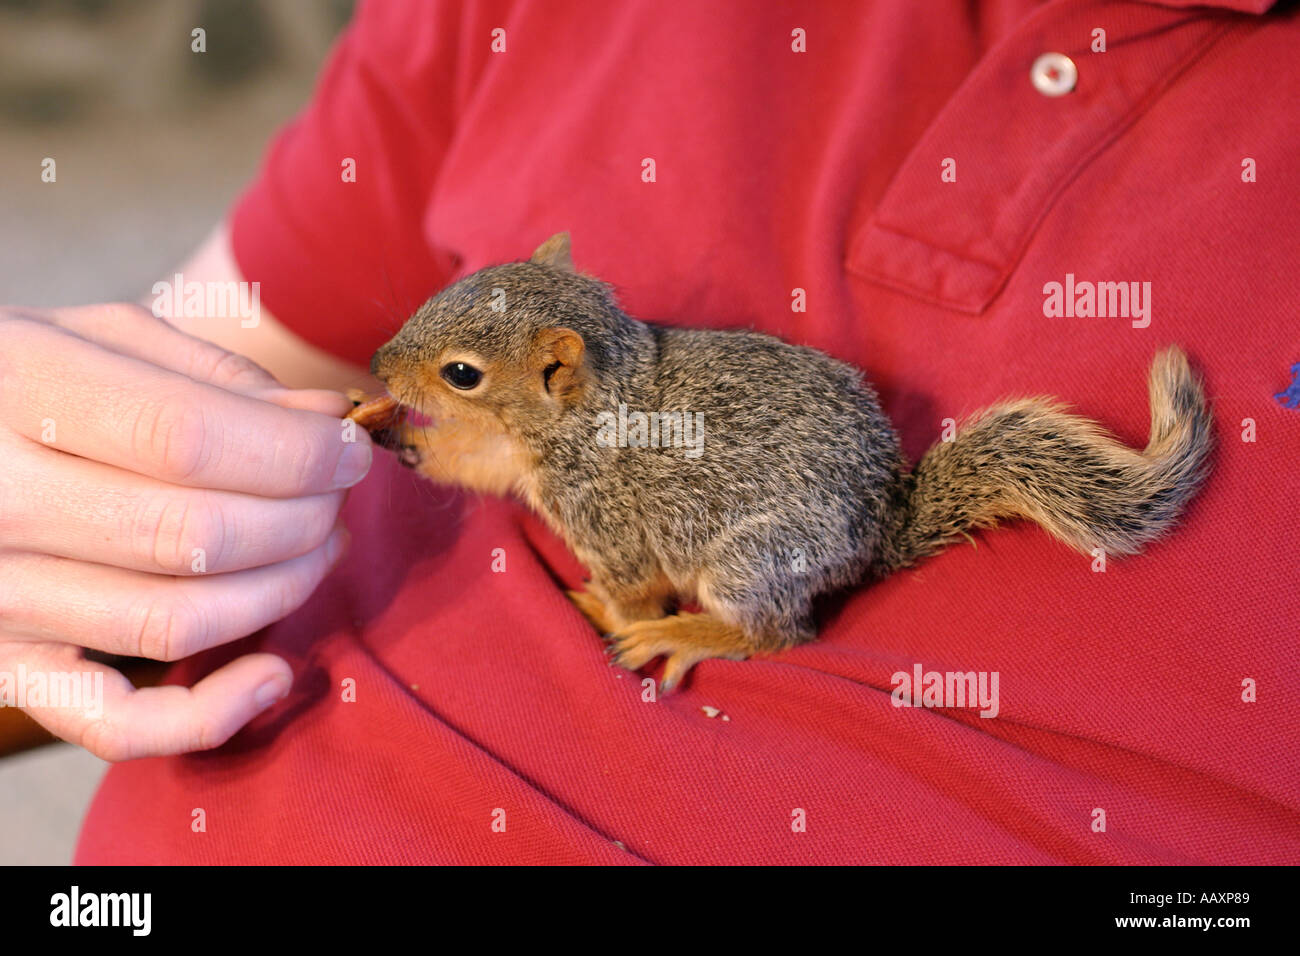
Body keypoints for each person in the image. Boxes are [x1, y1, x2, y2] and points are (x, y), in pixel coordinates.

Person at [5, 0, 1295, 864]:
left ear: (559, 375)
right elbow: (202, 384)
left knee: (722, 569)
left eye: (452, 377)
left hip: (772, 542)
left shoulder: (594, 467)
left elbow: (621, 553)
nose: (417, 388)